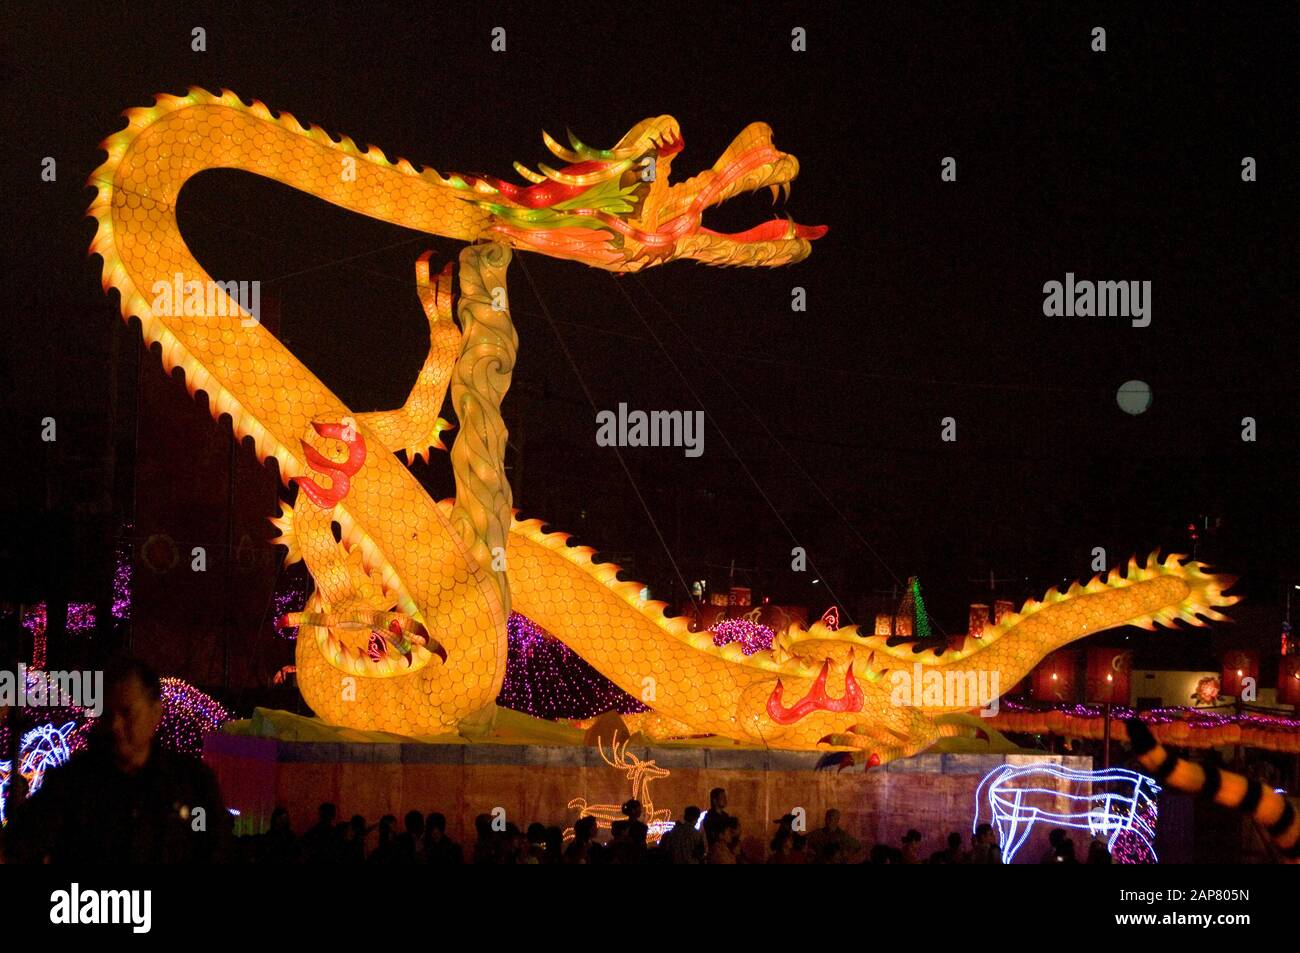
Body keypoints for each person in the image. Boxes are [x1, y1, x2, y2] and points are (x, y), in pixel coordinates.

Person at [4, 656, 232, 863]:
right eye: (107, 714)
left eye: (126, 713)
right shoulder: (70, 784)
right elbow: (23, 843)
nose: (115, 726)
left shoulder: (192, 784)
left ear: (155, 713)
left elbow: (215, 847)